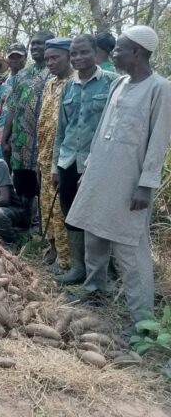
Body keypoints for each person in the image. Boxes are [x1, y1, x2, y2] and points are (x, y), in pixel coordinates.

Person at [66, 26, 171, 332]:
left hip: (131, 181)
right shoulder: (119, 84)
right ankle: (94, 290)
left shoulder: (160, 88)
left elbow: (159, 141)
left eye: (119, 49)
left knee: (130, 248)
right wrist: (88, 172)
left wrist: (145, 184)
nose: (113, 53)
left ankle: (143, 321)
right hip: (100, 173)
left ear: (137, 53)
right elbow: (101, 133)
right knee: (94, 234)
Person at [51, 34, 118, 285]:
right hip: (69, 161)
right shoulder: (69, 86)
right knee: (72, 215)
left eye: (83, 52)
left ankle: (102, 273)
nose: (78, 58)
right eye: (74, 53)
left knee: (98, 218)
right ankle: (78, 269)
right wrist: (54, 167)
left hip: (97, 164)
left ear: (95, 52)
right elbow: (61, 129)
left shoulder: (111, 83)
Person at [3, 30, 55, 214]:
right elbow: (12, 107)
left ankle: (39, 229)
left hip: (45, 144)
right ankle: (23, 222)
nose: (35, 47)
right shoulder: (22, 75)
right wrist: (4, 138)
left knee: (44, 187)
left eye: (40, 43)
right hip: (20, 143)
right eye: (33, 44)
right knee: (22, 186)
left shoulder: (55, 74)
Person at [36, 37, 73, 271]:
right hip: (44, 155)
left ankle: (66, 258)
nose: (50, 62)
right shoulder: (50, 83)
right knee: (46, 203)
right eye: (47, 58)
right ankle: (52, 247)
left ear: (68, 56)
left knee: (61, 208)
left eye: (55, 57)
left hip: (64, 159)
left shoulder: (74, 84)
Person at [0, 43, 27, 165]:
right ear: (7, 59)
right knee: (1, 165)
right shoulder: (1, 83)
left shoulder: (32, 80)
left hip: (24, 129)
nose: (15, 60)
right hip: (2, 130)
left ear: (25, 57)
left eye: (18, 56)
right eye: (12, 57)